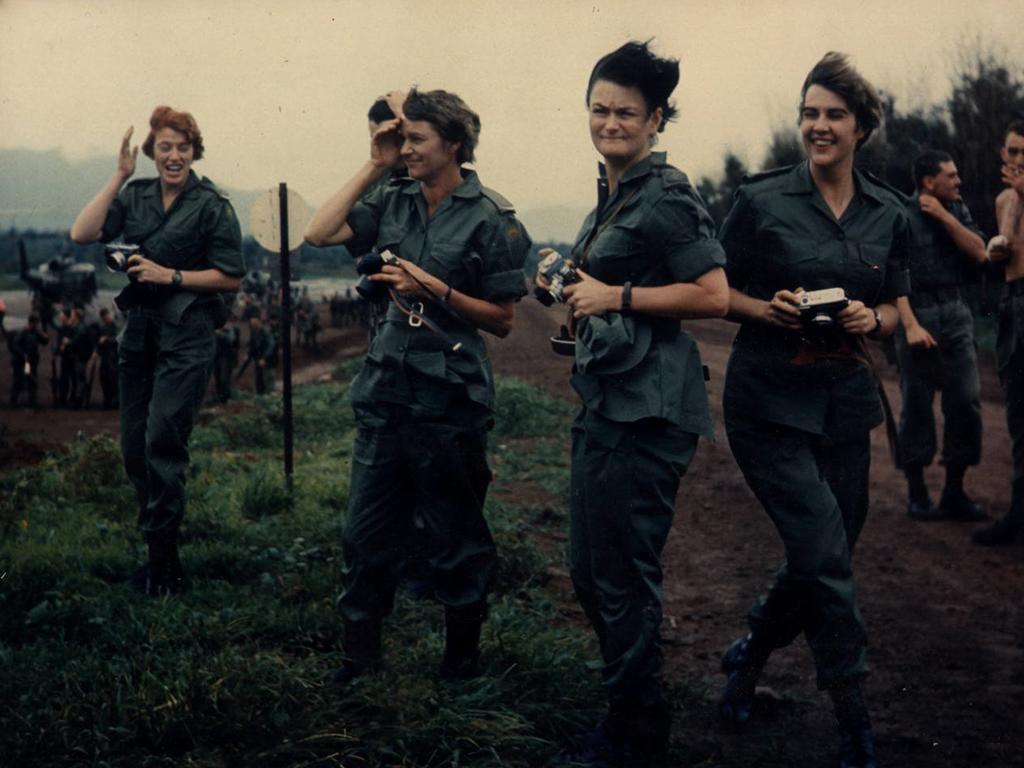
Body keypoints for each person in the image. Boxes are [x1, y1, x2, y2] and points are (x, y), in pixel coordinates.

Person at [536, 41, 729, 766]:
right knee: (593, 572)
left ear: (655, 120)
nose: (609, 122)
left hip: (648, 410)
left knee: (620, 573)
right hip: (611, 400)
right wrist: (569, 290)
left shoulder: (668, 194)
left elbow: (710, 293)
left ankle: (638, 732)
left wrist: (614, 294)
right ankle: (628, 713)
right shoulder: (617, 192)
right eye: (599, 109)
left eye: (626, 112)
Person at [717, 52, 909, 768]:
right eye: (809, 113)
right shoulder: (761, 201)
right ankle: (854, 718)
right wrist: (766, 307)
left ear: (862, 127)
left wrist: (874, 319)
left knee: (826, 552)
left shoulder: (889, 210)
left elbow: (896, 304)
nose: (818, 126)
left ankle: (749, 655)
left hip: (845, 404)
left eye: (834, 115)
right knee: (824, 554)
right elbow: (713, 291)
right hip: (767, 404)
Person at [304, 88, 530, 684]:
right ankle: (360, 663)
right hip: (385, 395)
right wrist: (376, 162)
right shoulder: (392, 199)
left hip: (450, 401)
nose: (406, 149)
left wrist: (436, 290)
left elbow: (504, 320)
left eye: (417, 140)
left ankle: (460, 668)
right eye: (402, 139)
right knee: (365, 533)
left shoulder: (492, 219)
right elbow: (318, 232)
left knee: (455, 536)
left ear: (455, 143)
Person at [70, 106, 244, 596]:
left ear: (195, 151)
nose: (174, 156)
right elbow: (82, 233)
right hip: (140, 333)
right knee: (133, 450)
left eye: (182, 147)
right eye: (164, 147)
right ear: (151, 153)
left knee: (163, 444)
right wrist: (119, 174)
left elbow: (231, 274)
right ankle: (156, 554)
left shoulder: (212, 204)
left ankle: (165, 567)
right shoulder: (135, 194)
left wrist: (170, 277)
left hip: (188, 334)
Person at [895, 150, 987, 521]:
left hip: (955, 311)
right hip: (916, 312)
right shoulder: (900, 214)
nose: (959, 181)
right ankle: (917, 492)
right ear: (928, 181)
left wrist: (946, 217)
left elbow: (980, 252)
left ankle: (954, 490)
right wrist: (910, 324)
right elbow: (891, 271)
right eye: (951, 175)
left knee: (965, 400)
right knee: (916, 404)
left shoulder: (957, 210)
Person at [974, 121, 1024, 546]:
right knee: (1018, 414)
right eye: (1013, 152)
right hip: (1013, 303)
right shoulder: (1005, 198)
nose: (1019, 160)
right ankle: (1019, 514)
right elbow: (1003, 246)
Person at [9, 313, 49, 407]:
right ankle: (14, 400)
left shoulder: (36, 332)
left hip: (31, 360)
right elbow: (15, 345)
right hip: (20, 361)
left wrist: (43, 335)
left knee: (32, 380)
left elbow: (45, 341)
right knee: (18, 380)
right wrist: (23, 354)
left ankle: (32, 400)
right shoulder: (23, 332)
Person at [94, 307, 120, 409]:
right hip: (105, 357)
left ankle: (115, 401)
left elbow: (118, 339)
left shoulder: (116, 326)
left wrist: (107, 339)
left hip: (114, 358)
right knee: (104, 379)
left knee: (113, 380)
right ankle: (107, 400)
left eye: (107, 316)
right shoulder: (103, 328)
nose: (106, 318)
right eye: (104, 317)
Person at [246, 313, 276, 394]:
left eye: (254, 323)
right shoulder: (254, 332)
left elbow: (271, 345)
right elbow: (251, 343)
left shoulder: (265, 331)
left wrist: (264, 358)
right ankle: (260, 393)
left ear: (259, 322)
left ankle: (270, 393)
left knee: (268, 376)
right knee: (258, 377)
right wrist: (248, 353)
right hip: (258, 357)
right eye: (251, 323)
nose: (253, 325)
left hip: (267, 357)